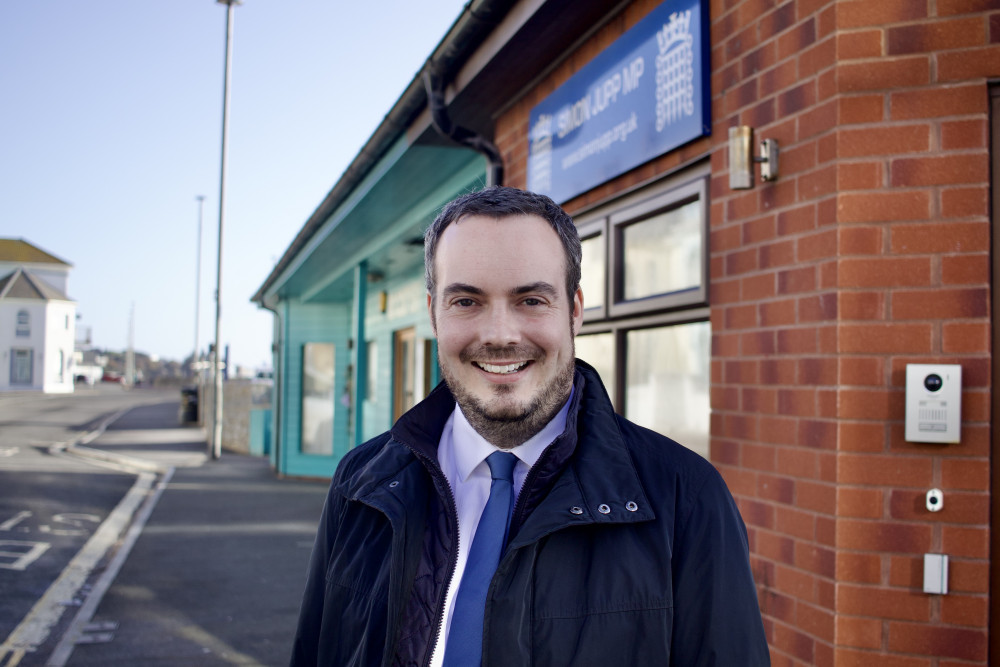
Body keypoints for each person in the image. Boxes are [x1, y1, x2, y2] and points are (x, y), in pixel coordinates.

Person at [290, 186, 770, 666]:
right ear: (434, 312)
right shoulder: (361, 482)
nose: (500, 334)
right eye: (467, 301)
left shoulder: (686, 498)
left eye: (531, 300)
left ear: (575, 311)